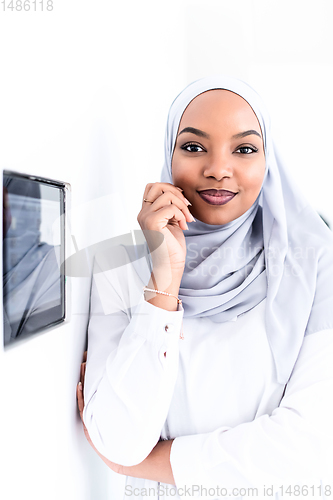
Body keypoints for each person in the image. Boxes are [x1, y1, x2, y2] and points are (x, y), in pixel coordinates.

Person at [77, 76, 333, 499]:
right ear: (169, 153)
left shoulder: (316, 265)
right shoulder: (117, 267)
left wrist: (148, 463)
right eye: (194, 147)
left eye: (245, 149)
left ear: (269, 161)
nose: (218, 168)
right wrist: (164, 280)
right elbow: (118, 440)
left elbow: (312, 447)